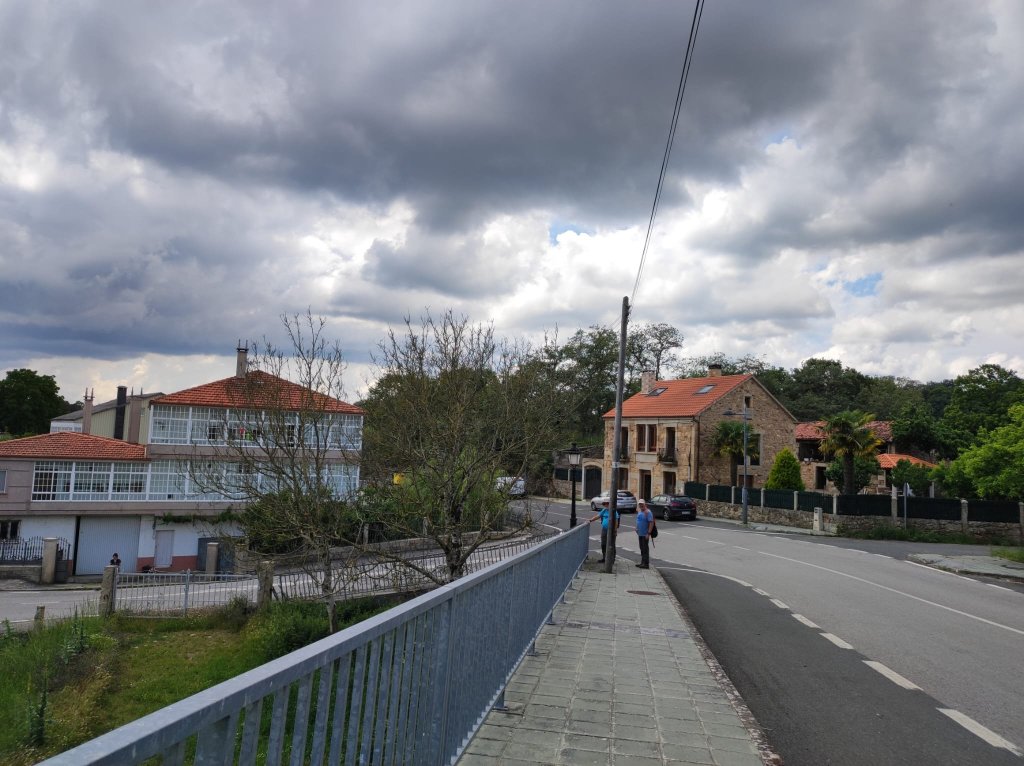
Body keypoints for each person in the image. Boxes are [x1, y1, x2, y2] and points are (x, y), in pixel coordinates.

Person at [589, 498, 620, 563]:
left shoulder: (614, 511)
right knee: (603, 544)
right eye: (604, 504)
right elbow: (598, 516)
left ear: (610, 504)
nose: (606, 505)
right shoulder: (604, 510)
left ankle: (612, 559)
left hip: (611, 530)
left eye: (607, 503)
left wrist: (615, 531)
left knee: (611, 544)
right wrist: (590, 520)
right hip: (604, 529)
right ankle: (604, 558)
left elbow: (616, 522)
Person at [635, 500, 654, 569]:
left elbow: (651, 523)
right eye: (640, 504)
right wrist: (636, 528)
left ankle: (646, 564)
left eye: (642, 504)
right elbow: (638, 521)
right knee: (642, 548)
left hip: (645, 534)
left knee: (645, 549)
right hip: (640, 533)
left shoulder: (648, 512)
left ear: (645, 504)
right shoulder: (640, 512)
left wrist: (648, 533)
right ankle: (642, 562)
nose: (641, 505)